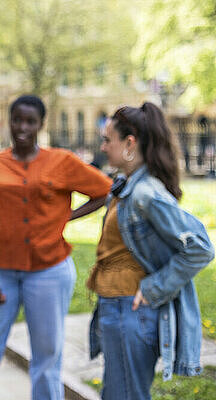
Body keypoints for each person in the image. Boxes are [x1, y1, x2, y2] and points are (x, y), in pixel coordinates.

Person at [0, 95, 113, 400]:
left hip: (49, 272)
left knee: (47, 358)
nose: (23, 127)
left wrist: (67, 216)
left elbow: (105, 190)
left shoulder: (61, 161)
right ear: (9, 121)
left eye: (30, 121)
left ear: (40, 124)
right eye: (17, 120)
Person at [87, 102, 215, 400]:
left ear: (129, 143)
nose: (103, 147)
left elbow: (201, 248)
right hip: (116, 308)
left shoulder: (146, 193)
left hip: (130, 313)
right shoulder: (125, 186)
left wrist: (155, 287)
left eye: (108, 140)